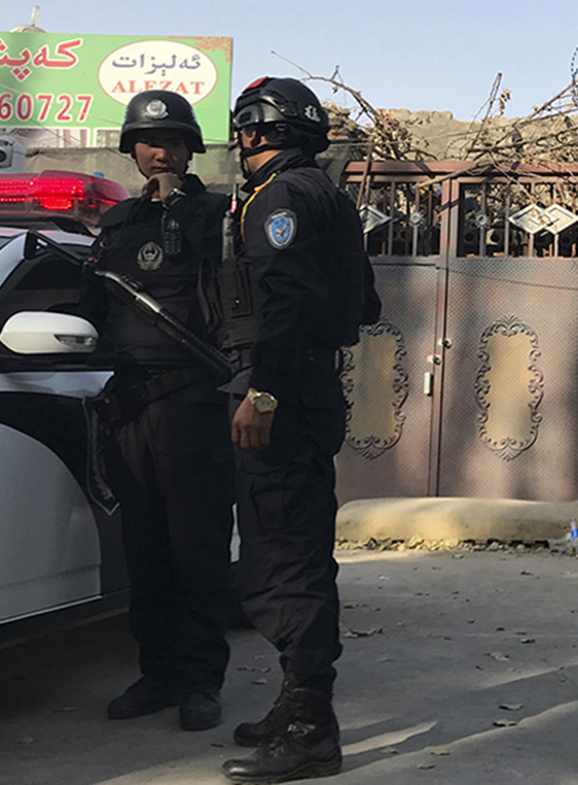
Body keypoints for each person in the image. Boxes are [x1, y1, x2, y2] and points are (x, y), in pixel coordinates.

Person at [218, 76, 379, 783]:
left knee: (281, 563)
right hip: (313, 388)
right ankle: (297, 703)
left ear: (255, 131)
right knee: (302, 550)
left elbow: (283, 300)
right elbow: (364, 301)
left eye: (244, 130)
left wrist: (263, 391)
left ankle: (311, 727)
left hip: (284, 395)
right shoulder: (325, 194)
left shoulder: (277, 198)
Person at [83, 90, 235, 732]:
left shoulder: (218, 215)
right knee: (144, 550)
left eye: (173, 141)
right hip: (131, 406)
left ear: (190, 148)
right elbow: (92, 309)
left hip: (196, 402)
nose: (161, 152)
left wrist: (179, 205)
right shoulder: (118, 224)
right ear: (132, 150)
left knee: (197, 549)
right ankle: (158, 674)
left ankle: (201, 681)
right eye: (150, 142)